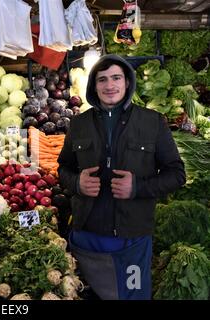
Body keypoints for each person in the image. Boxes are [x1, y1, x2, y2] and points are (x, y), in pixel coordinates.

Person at [57, 55, 185, 300]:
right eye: (102, 79)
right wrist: (77, 183)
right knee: (84, 295)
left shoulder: (152, 122)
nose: (109, 85)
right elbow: (63, 169)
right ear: (94, 87)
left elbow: (176, 174)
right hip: (86, 238)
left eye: (116, 78)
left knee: (133, 295)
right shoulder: (78, 124)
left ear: (127, 82)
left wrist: (137, 187)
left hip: (131, 240)